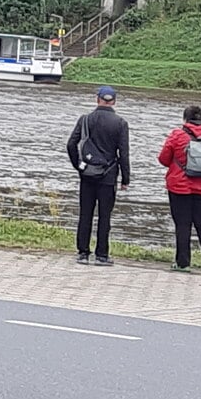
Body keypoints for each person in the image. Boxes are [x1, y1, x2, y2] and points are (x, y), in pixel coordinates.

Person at [66, 86, 130, 266]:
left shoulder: (85, 120)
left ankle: (83, 253)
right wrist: (125, 179)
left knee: (85, 214)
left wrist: (78, 166)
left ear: (97, 99)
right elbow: (124, 154)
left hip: (87, 174)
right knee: (104, 216)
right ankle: (102, 255)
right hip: (108, 176)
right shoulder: (120, 123)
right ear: (114, 101)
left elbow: (71, 145)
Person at [158, 105, 201, 274]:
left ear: (185, 119)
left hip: (179, 187)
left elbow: (164, 159)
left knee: (183, 225)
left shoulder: (177, 135)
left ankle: (183, 263)